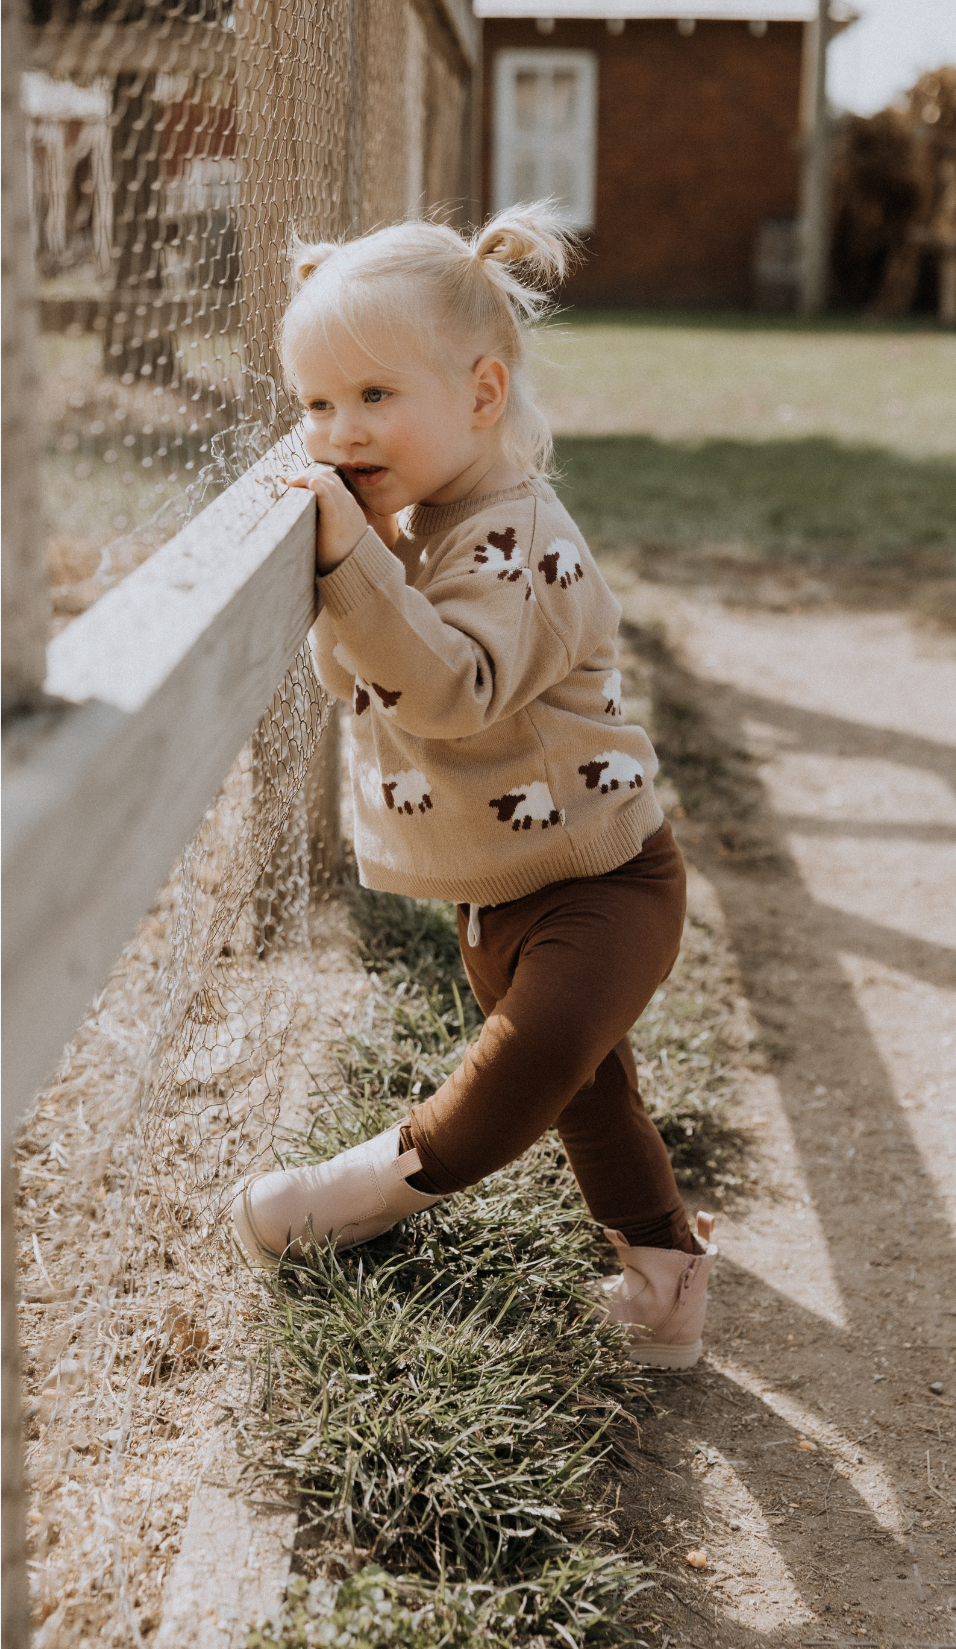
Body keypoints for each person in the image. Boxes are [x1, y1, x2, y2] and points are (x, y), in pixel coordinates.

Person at [230, 207, 717, 1368]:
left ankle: (342, 1197)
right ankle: (665, 1284)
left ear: (481, 393)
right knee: (591, 1094)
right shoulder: (418, 524)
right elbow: (353, 670)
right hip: (498, 893)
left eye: (373, 397)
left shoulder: (518, 544)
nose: (339, 428)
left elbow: (450, 689)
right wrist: (358, 555)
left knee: (507, 1091)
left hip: (602, 884)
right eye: (316, 403)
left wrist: (355, 556)